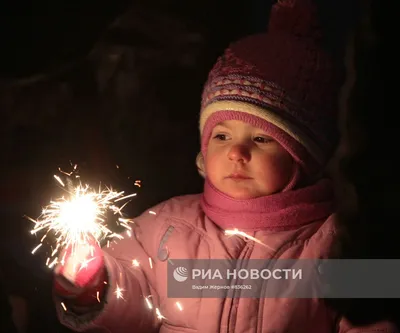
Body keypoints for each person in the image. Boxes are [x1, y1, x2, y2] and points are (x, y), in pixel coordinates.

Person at [52, 0, 397, 332]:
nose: (237, 153)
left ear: (304, 155)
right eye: (221, 137)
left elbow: (375, 319)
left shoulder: (341, 243)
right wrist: (90, 283)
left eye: (261, 139)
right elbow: (131, 301)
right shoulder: (165, 231)